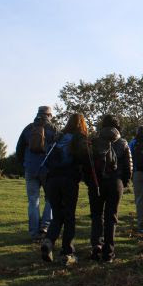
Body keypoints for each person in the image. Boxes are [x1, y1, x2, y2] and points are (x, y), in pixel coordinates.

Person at [40, 113, 88, 265]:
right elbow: (83, 158)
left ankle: (48, 242)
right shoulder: (79, 138)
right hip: (68, 180)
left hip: (52, 180)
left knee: (58, 214)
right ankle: (68, 252)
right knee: (69, 216)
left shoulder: (58, 138)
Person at [85, 114, 132, 262]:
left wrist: (89, 182)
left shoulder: (94, 142)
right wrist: (124, 182)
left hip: (97, 183)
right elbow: (129, 166)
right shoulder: (123, 143)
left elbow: (87, 165)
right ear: (117, 127)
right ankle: (109, 253)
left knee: (96, 215)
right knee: (111, 217)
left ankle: (96, 246)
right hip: (115, 182)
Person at [16, 106, 56, 241]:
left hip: (30, 169)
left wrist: (25, 164)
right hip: (47, 169)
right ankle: (45, 227)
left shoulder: (28, 128)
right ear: (49, 115)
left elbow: (19, 149)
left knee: (33, 201)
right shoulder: (53, 129)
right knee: (50, 199)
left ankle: (34, 233)